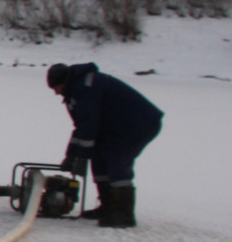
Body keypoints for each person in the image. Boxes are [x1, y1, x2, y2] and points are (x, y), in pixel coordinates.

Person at [47, 62, 163, 228]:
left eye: (56, 87)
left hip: (138, 124)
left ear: (64, 82)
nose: (56, 93)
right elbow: (81, 127)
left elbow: (88, 125)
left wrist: (79, 158)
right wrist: (71, 155)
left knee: (117, 159)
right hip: (115, 126)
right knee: (99, 157)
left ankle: (123, 215)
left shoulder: (86, 88)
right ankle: (108, 207)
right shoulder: (75, 90)